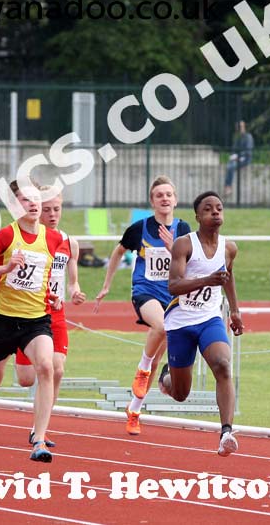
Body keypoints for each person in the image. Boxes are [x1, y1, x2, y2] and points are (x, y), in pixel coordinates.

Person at [0, 181, 64, 463]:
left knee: (46, 367)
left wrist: (53, 296)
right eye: (25, 200)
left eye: (36, 199)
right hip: (2, 322)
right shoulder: (6, 235)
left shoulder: (53, 238)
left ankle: (39, 439)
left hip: (35, 321)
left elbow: (41, 278)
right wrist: (5, 268)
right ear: (14, 206)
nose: (33, 204)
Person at [94, 176, 191, 435]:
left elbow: (191, 262)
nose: (164, 198)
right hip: (145, 292)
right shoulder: (140, 228)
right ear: (152, 201)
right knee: (161, 326)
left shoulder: (183, 229)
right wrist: (106, 285)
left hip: (172, 295)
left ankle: (134, 411)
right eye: (159, 195)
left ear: (175, 199)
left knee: (160, 350)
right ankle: (143, 367)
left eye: (168, 194)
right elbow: (117, 252)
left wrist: (175, 250)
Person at [158, 191, 244, 456]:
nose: (215, 212)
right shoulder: (184, 244)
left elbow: (227, 277)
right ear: (197, 216)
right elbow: (173, 285)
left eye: (219, 208)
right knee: (181, 393)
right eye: (208, 209)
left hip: (209, 319)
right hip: (181, 322)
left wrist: (235, 311)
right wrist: (207, 279)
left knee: (223, 365)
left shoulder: (229, 248)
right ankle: (166, 376)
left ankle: (226, 432)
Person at [13, 187, 86, 448]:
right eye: (47, 209)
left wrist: (75, 291)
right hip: (29, 314)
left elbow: (72, 281)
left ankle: (39, 430)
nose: (52, 214)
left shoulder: (69, 242)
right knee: (25, 379)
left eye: (57, 209)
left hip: (55, 314)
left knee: (57, 369)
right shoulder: (25, 240)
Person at [224, 120, 254, 196]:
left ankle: (228, 187)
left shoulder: (248, 137)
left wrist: (238, 156)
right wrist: (233, 156)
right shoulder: (238, 138)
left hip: (245, 159)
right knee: (229, 165)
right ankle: (227, 186)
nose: (239, 128)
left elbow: (248, 151)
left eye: (240, 127)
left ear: (244, 127)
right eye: (238, 127)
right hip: (237, 159)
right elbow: (234, 150)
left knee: (231, 167)